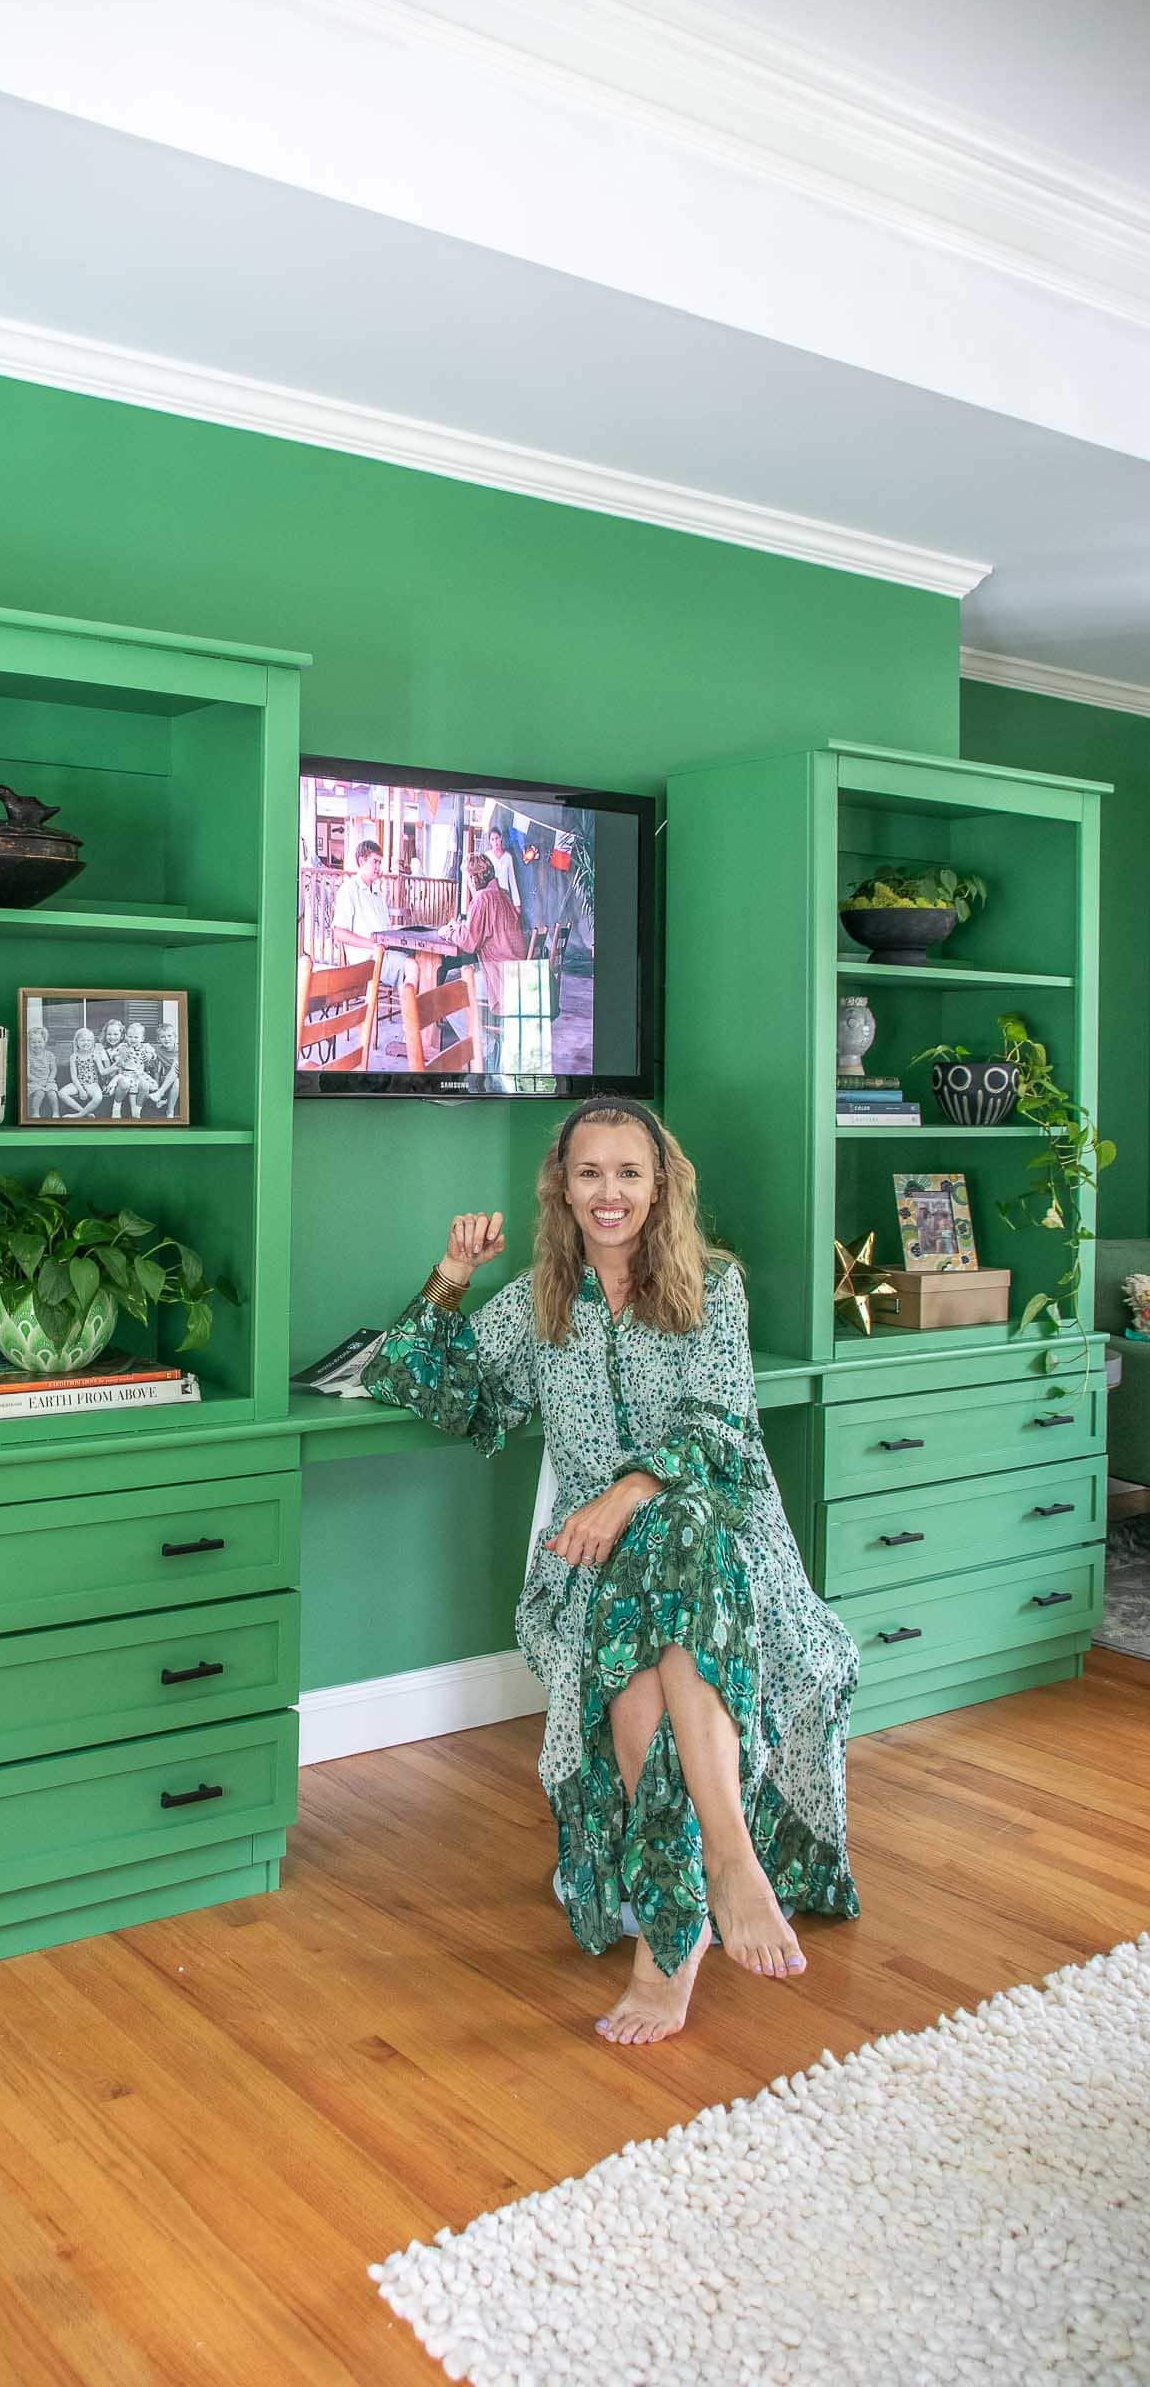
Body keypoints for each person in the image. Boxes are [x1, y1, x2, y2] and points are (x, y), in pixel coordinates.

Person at [362, 1098, 861, 2047]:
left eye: (629, 1173)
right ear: (562, 1187)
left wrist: (625, 1494)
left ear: (660, 1184)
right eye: (589, 1173)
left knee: (673, 1534)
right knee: (640, 1597)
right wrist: (454, 1274)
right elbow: (419, 1383)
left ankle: (669, 1944)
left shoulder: (715, 1285)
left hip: (726, 1543)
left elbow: (722, 1431)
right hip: (590, 1567)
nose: (609, 1192)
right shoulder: (540, 1299)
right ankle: (723, 1862)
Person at [436, 852, 528, 1068]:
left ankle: (486, 1047)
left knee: (445, 997)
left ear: (473, 878)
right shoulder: (502, 894)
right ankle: (483, 1039)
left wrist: (448, 931)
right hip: (518, 977)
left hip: (502, 980)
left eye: (468, 877)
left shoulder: (482, 898)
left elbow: (468, 943)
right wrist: (459, 928)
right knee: (453, 976)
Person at [330, 838, 405, 987]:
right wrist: (372, 945)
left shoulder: (378, 893)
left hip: (383, 953)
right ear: (361, 861)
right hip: (366, 959)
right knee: (411, 967)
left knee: (422, 962)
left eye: (379, 863)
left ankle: (413, 1008)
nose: (378, 867)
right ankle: (411, 1008)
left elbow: (384, 929)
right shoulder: (349, 890)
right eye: (375, 862)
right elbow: (338, 933)